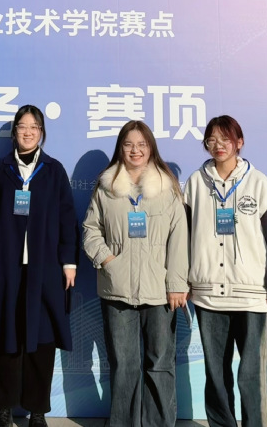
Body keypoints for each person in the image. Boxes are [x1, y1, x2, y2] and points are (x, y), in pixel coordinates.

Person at [0, 105, 79, 427]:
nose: (28, 132)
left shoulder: (53, 170)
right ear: (14, 132)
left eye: (34, 127)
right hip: (5, 268)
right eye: (22, 126)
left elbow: (67, 219)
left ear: (42, 132)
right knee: (6, 335)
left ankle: (37, 410)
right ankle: (4, 408)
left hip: (45, 269)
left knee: (42, 340)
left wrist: (69, 261)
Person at [183, 115, 267, 427]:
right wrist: (182, 280)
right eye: (212, 140)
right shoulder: (195, 183)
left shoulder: (258, 182)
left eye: (225, 139)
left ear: (239, 142)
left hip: (253, 296)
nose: (218, 145)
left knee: (252, 375)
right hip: (208, 295)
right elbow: (183, 237)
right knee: (215, 375)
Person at [82, 120, 189, 427]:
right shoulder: (106, 188)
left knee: (160, 363)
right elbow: (90, 230)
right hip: (117, 288)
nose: (135, 150)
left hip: (159, 290)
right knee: (124, 365)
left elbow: (179, 239)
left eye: (142, 144)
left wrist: (176, 284)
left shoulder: (167, 189)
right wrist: (108, 260)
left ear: (151, 148)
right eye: (129, 144)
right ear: (120, 148)